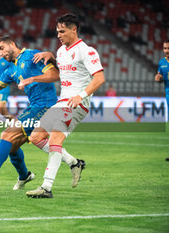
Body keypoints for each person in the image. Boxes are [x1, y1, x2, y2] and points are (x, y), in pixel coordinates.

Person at [0, 36, 84, 193]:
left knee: (7, 135)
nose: (1, 53)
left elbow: (55, 75)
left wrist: (31, 79)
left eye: (2, 48)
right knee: (12, 147)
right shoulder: (10, 70)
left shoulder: (32, 56)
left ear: (12, 44)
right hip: (34, 108)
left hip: (46, 106)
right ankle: (26, 175)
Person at [20, 13, 105, 198]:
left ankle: (46, 188)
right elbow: (63, 71)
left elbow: (99, 78)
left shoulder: (86, 50)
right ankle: (74, 163)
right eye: (57, 31)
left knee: (55, 140)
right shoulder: (60, 51)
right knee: (36, 137)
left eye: (62, 31)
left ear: (74, 30)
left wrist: (80, 96)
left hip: (76, 104)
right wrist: (51, 57)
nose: (58, 35)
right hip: (61, 102)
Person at [155, 40, 169, 122]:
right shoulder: (161, 62)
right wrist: (158, 78)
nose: (167, 51)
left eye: (168, 48)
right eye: (165, 48)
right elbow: (160, 77)